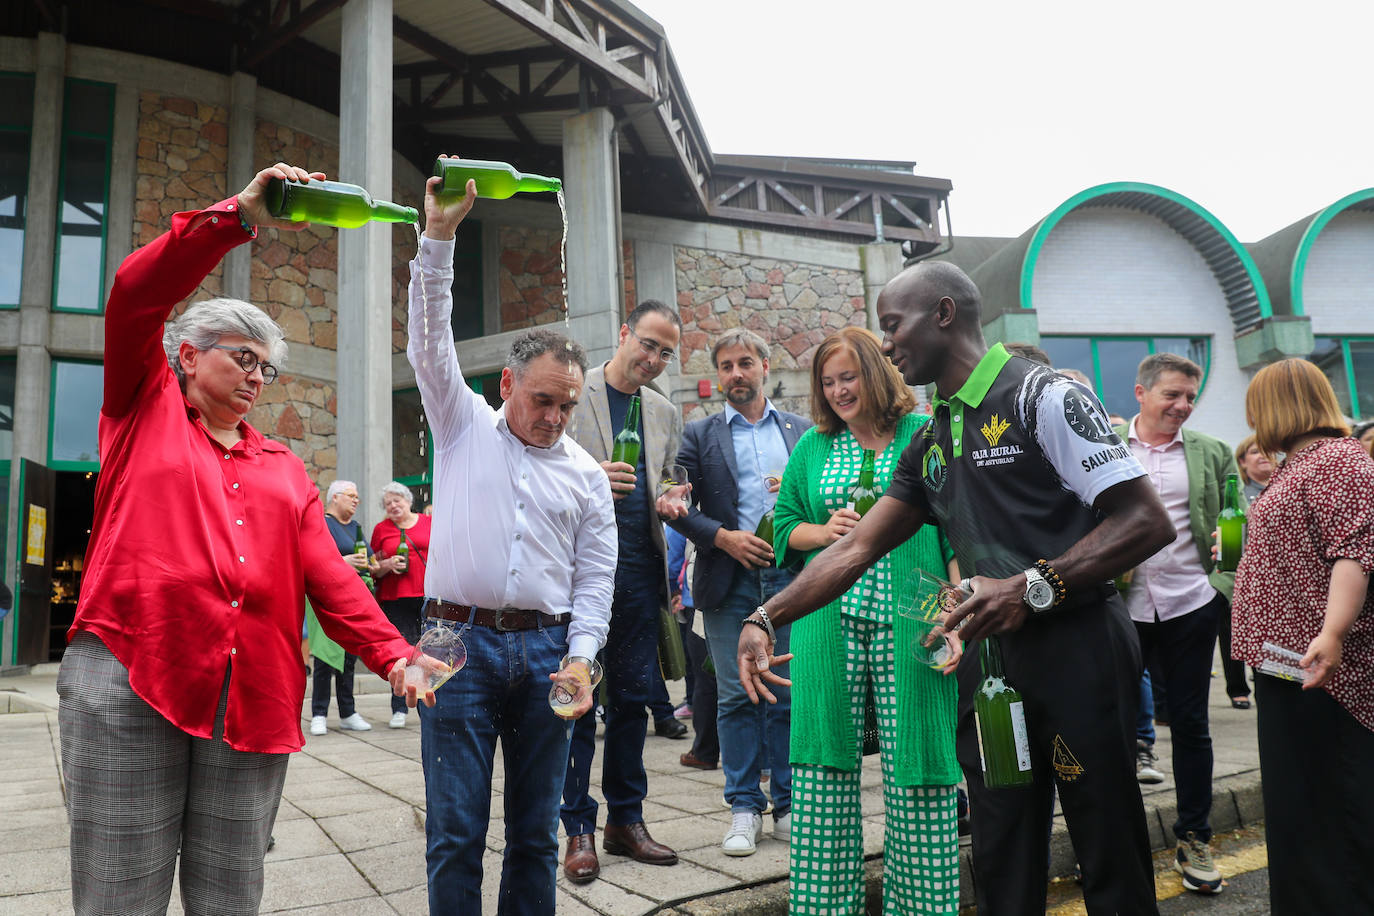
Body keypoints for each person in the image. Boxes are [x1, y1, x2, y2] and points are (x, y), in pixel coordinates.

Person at [56, 162, 436, 916]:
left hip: (253, 692)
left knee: (231, 893)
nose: (257, 375)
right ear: (190, 356)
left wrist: (393, 655)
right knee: (117, 892)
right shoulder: (142, 407)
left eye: (267, 366)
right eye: (242, 356)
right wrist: (237, 214)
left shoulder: (285, 469)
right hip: (130, 669)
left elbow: (328, 576)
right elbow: (137, 294)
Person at [739, 261, 1175, 916]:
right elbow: (856, 548)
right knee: (1004, 846)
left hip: (1079, 654)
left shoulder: (1044, 396)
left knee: (1105, 842)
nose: (886, 344)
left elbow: (1146, 521)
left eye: (893, 325)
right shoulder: (933, 437)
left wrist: (1030, 587)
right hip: (996, 679)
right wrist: (765, 618)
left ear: (943, 314)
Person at [407, 170, 616, 916]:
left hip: (549, 653)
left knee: (534, 832)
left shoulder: (589, 478)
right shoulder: (460, 423)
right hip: (452, 642)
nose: (555, 416)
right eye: (542, 400)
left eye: (567, 404)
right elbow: (429, 343)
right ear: (506, 383)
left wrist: (582, 657)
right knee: (456, 830)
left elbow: (596, 580)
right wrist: (438, 239)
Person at [771, 326, 961, 913]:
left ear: (876, 373)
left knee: (921, 761)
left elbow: (957, 524)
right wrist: (821, 532)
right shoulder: (813, 447)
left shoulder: (925, 433)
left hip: (918, 613)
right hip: (828, 621)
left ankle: (924, 907)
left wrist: (957, 608)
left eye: (847, 377)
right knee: (823, 763)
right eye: (827, 383)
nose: (837, 392)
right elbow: (781, 527)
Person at [1231, 358, 1374, 915]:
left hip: (1322, 671)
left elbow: (1354, 553)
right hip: (1287, 666)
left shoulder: (1337, 460)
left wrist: (1334, 632)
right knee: (1302, 808)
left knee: (1330, 806)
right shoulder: (1302, 463)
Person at [671, 327, 812, 856]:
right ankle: (743, 807)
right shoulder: (699, 435)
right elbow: (676, 503)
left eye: (745, 363)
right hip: (728, 582)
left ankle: (790, 805)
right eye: (726, 366)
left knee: (785, 693)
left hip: (790, 579)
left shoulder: (800, 431)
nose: (736, 374)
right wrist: (723, 538)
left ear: (765, 366)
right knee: (735, 695)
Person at [560, 299, 686, 883]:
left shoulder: (663, 412)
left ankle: (625, 821)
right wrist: (590, 478)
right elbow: (534, 466)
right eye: (649, 344)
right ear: (623, 333)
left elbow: (667, 482)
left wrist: (674, 501)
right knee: (575, 704)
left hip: (638, 573)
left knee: (634, 702)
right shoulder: (570, 389)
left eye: (666, 352)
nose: (655, 358)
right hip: (574, 575)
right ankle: (577, 827)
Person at [1111, 353, 1239, 894]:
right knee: (1112, 729)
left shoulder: (1212, 451)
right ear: (1141, 394)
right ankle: (1119, 843)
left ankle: (1195, 837)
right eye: (1172, 395)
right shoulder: (1108, 447)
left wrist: (1222, 582)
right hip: (1122, 605)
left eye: (1190, 396)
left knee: (1191, 724)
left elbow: (1236, 526)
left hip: (1191, 601)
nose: (1183, 406)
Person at [309, 479, 378, 736]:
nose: (356, 499)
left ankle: (348, 712)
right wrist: (343, 561)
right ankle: (318, 714)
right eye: (350, 495)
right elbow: (312, 556)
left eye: (357, 496)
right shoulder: (323, 524)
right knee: (326, 659)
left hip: (355, 598)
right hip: (326, 599)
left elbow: (370, 561)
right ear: (334, 497)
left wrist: (375, 564)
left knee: (350, 657)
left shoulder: (356, 528)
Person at [370, 480, 432, 729]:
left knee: (429, 651)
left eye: (398, 500)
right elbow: (372, 566)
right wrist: (385, 566)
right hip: (395, 599)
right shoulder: (381, 529)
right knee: (400, 654)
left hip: (427, 596)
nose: (393, 505)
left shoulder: (429, 522)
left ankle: (428, 703)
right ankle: (399, 707)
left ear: (408, 501)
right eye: (388, 503)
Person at [669, 524, 719, 770]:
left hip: (699, 599)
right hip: (740, 594)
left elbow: (673, 548)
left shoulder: (691, 500)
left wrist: (671, 587)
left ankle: (705, 751)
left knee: (706, 679)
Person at [1235, 434, 1274, 504]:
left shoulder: (1288, 487)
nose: (1264, 455)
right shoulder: (1238, 493)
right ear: (1242, 462)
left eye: (1268, 451)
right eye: (1255, 452)